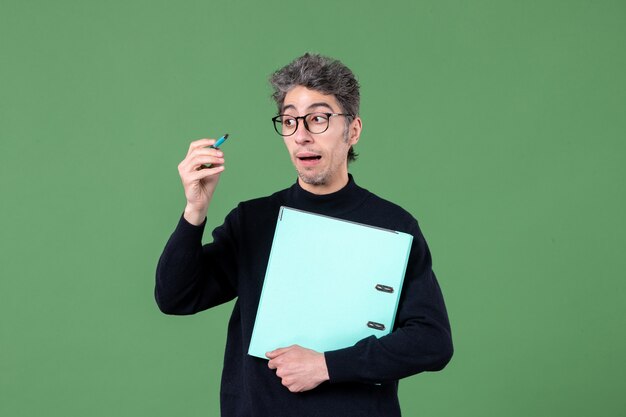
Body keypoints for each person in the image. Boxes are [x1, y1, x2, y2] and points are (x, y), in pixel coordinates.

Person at [155, 53, 453, 417]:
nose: (302, 135)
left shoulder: (394, 224)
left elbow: (432, 341)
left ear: (353, 130)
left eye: (318, 118)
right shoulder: (253, 221)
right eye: (290, 121)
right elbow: (175, 297)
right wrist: (194, 210)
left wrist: (326, 366)